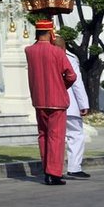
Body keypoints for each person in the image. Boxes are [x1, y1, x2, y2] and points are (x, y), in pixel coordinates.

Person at [24, 19, 76, 185]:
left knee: (43, 135)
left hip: (39, 99)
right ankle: (53, 172)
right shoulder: (57, 52)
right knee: (56, 137)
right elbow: (71, 75)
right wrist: (62, 86)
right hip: (56, 100)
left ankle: (46, 169)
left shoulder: (29, 51)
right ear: (50, 33)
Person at [54, 35, 90, 179]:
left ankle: (53, 169)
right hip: (70, 103)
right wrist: (83, 104)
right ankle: (74, 167)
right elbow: (76, 82)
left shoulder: (46, 57)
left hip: (51, 103)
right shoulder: (69, 58)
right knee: (75, 135)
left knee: (55, 137)